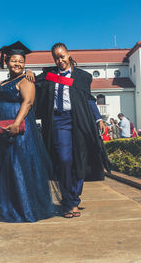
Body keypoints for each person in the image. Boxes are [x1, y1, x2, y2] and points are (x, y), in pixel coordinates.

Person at [26, 42, 110, 218]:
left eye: (62, 56)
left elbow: (88, 99)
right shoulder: (49, 75)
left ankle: (72, 201)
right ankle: (68, 199)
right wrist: (29, 72)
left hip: (79, 120)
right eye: (56, 58)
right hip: (58, 121)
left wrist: (98, 118)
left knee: (79, 160)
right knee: (64, 160)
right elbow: (35, 82)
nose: (60, 60)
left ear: (68, 54)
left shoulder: (81, 77)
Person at [0, 41, 61, 223]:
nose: (17, 64)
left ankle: (23, 206)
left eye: (21, 61)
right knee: (3, 166)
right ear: (6, 61)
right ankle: (5, 203)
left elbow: (27, 103)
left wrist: (17, 123)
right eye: (14, 60)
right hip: (1, 128)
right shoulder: (5, 82)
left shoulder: (26, 79)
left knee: (18, 164)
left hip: (19, 128)